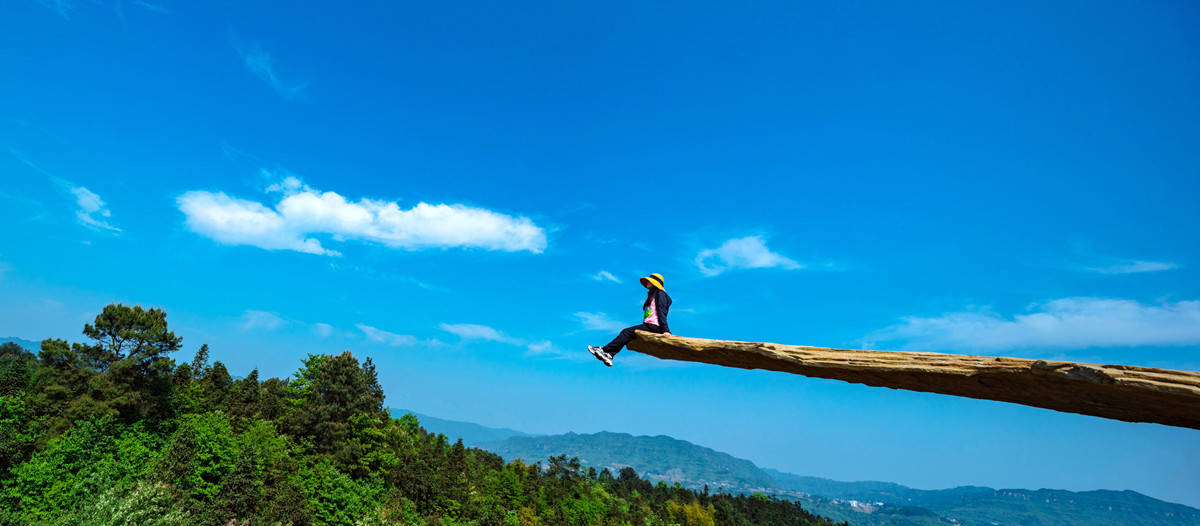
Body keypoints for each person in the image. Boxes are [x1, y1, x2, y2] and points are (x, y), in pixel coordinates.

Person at [588, 273, 671, 366]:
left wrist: (666, 331)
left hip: (655, 326)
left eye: (650, 281)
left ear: (655, 283)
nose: (647, 282)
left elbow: (661, 312)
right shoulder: (652, 295)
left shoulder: (660, 295)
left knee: (626, 332)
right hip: (649, 325)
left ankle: (604, 350)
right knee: (627, 335)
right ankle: (609, 354)